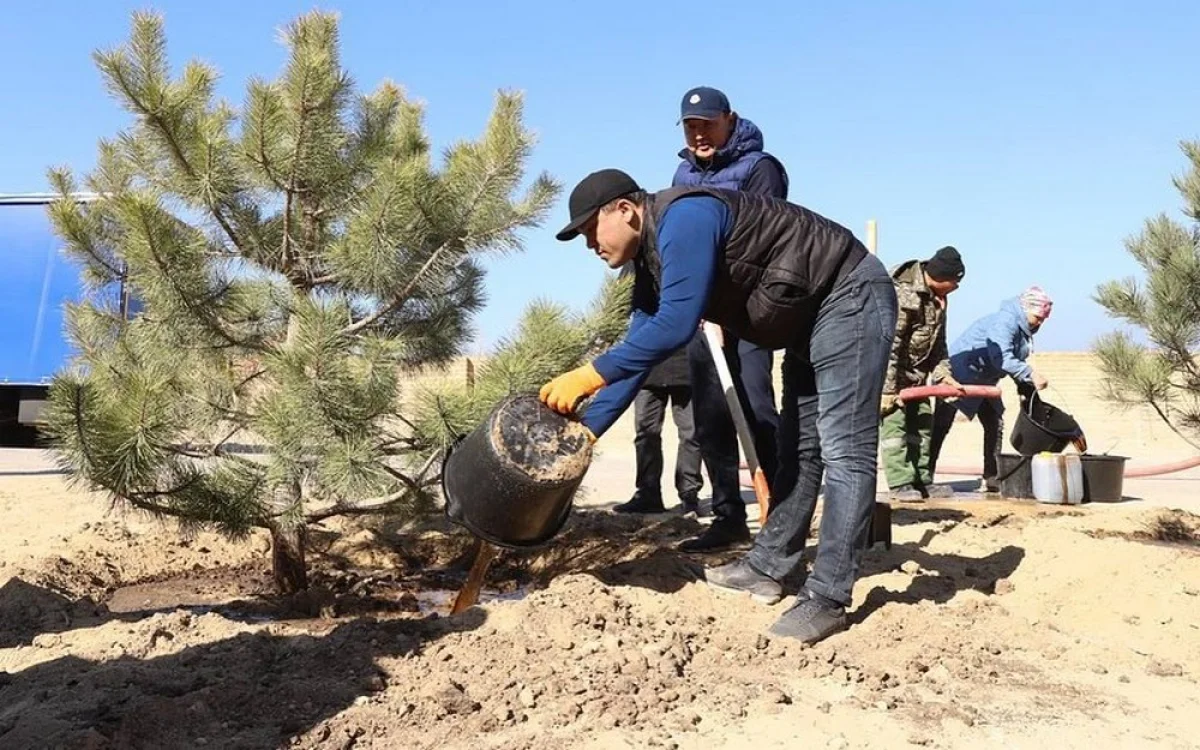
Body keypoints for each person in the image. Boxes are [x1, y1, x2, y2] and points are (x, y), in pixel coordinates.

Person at [539, 168, 897, 644]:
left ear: (625, 210)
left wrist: (590, 373)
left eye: (590, 230)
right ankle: (768, 565)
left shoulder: (685, 217)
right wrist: (585, 433)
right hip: (809, 318)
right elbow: (639, 354)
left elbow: (675, 324)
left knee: (845, 451)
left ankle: (828, 596)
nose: (590, 245)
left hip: (848, 295)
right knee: (799, 449)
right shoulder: (651, 262)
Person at [670, 86, 789, 549]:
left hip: (751, 309)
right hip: (704, 315)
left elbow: (764, 239)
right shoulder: (683, 174)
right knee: (710, 416)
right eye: (690, 127)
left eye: (708, 124)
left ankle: (779, 512)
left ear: (730, 120)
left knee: (757, 407)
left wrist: (727, 303)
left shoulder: (761, 169)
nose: (699, 134)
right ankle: (727, 516)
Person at [928, 286, 1053, 494]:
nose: (1040, 323)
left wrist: (1024, 385)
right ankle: (925, 475)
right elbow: (1002, 357)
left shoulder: (1023, 330)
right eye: (1038, 317)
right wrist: (1030, 373)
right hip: (958, 374)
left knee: (994, 422)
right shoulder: (1005, 322)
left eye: (1044, 319)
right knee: (942, 424)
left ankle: (992, 476)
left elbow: (1013, 359)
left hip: (985, 379)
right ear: (1026, 310)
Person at [614, 261, 704, 515]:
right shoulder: (636, 263)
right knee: (646, 432)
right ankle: (647, 493)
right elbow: (618, 307)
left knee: (691, 432)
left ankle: (689, 494)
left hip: (686, 360)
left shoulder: (684, 258)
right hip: (646, 363)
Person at [879, 246, 966, 502]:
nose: (957, 287)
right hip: (891, 375)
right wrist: (887, 390)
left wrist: (943, 376)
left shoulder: (938, 299)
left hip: (917, 378)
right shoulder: (904, 292)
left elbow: (939, 345)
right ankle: (900, 482)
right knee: (895, 428)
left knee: (922, 425)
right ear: (940, 276)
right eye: (954, 281)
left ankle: (922, 479)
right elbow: (890, 344)